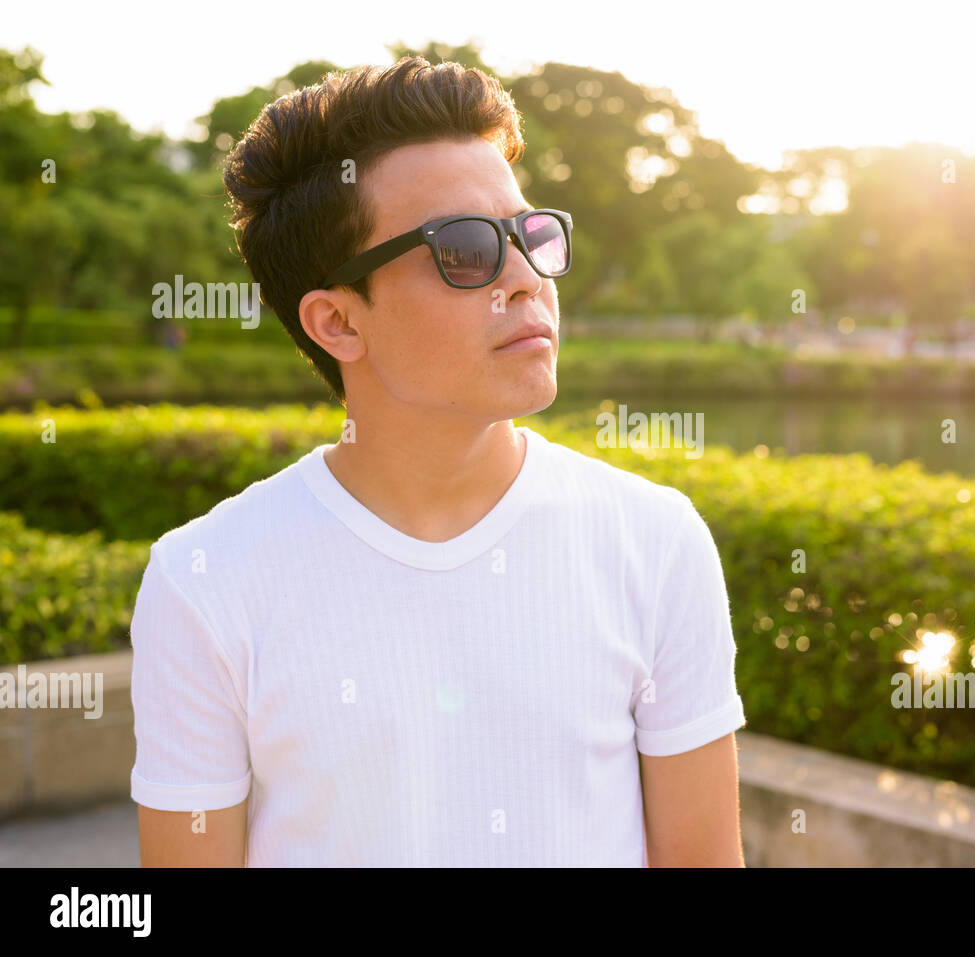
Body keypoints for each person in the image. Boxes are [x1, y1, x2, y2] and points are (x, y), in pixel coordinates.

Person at [129, 56, 746, 867]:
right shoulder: (204, 581)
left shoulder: (655, 541)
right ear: (338, 322)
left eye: (530, 234)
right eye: (464, 250)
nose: (526, 280)